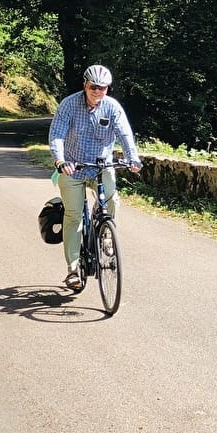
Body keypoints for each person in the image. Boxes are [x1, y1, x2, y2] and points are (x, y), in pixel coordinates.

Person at [49, 64, 143, 290]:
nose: (97, 91)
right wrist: (60, 160)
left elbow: (125, 134)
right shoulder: (69, 105)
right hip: (73, 166)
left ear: (107, 89)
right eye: (93, 87)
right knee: (73, 216)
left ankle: (105, 233)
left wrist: (133, 158)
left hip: (102, 165)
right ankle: (72, 270)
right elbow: (57, 135)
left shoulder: (112, 107)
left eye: (102, 88)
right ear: (85, 85)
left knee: (111, 200)